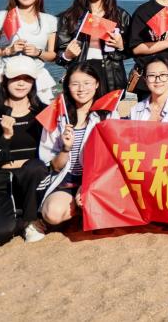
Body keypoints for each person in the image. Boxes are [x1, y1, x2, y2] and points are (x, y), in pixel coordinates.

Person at [0, 59, 50, 245]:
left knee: (35, 167)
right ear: (4, 79)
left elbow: (51, 152)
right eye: (15, 78)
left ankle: (30, 220)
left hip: (33, 179)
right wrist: (5, 137)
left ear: (34, 81)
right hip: (0, 178)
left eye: (27, 78)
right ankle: (5, 214)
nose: (21, 83)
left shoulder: (44, 112)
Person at [39, 64, 115, 230]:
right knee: (52, 214)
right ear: (67, 86)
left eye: (87, 83)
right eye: (75, 84)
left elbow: (113, 160)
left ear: (97, 84)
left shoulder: (108, 115)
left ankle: (85, 206)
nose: (81, 89)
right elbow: (55, 166)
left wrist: (87, 184)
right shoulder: (58, 116)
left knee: (92, 203)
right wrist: (65, 148)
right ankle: (79, 209)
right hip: (67, 180)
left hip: (97, 179)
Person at [55, 0, 131, 94]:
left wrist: (121, 46)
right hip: (81, 73)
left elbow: (133, 50)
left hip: (110, 75)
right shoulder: (69, 16)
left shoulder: (121, 15)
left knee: (107, 107)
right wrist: (67, 56)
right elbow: (59, 56)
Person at [128, 56, 168, 123]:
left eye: (163, 75)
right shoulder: (136, 109)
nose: (157, 80)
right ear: (145, 79)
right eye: (152, 75)